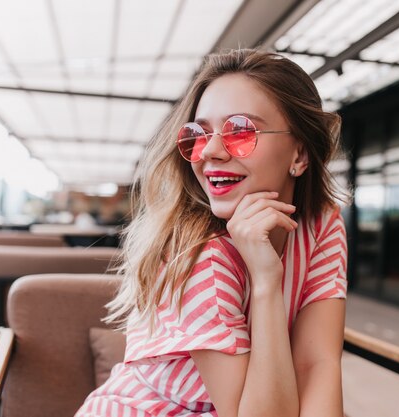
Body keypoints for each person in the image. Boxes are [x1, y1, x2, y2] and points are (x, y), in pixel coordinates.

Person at [75, 48, 349, 417]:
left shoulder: (321, 224)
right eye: (198, 135)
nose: (211, 151)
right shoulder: (201, 256)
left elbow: (317, 365)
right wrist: (266, 280)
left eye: (240, 130)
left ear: (299, 154)